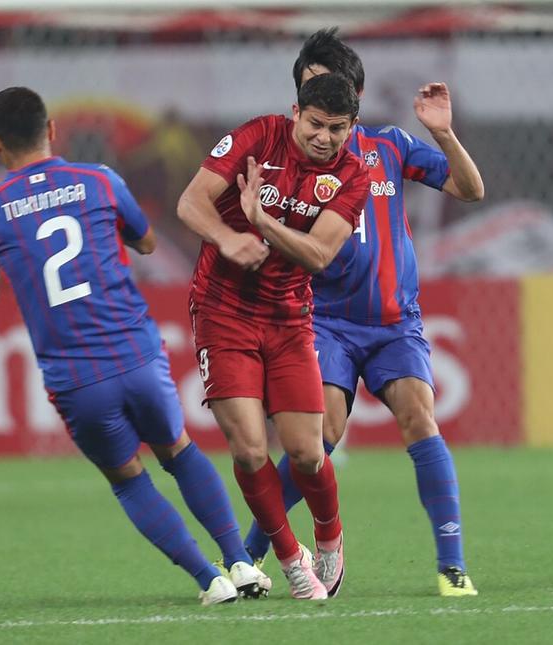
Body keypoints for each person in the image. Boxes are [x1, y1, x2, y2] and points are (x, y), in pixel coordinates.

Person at [0, 87, 269, 605]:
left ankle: (210, 579)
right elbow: (147, 241)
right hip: (136, 354)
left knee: (129, 479)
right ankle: (241, 562)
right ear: (51, 131)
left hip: (76, 378)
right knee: (178, 451)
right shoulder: (100, 180)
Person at [242, 29, 485, 597]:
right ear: (298, 103)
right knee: (317, 438)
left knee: (420, 418)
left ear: (357, 97)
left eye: (338, 94)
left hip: (395, 321)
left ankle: (452, 566)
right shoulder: (286, 164)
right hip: (324, 321)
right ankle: (249, 552)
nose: (326, 107)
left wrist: (444, 134)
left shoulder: (391, 147)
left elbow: (471, 189)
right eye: (313, 92)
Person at [177, 73, 370, 600]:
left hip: (289, 318)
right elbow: (190, 203)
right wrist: (226, 236)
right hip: (222, 311)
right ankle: (288, 561)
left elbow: (321, 254)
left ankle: (328, 536)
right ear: (295, 112)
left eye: (336, 128)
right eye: (314, 123)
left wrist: (260, 222)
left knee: (308, 453)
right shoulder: (256, 138)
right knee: (248, 448)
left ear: (351, 127)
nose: (324, 137)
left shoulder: (352, 174)